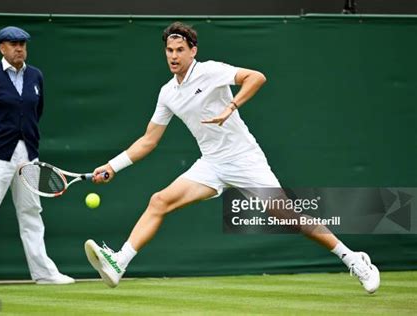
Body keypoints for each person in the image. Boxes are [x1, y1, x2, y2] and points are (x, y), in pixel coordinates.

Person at [84, 22, 380, 293]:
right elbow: (149, 140)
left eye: (180, 50)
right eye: (169, 50)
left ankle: (353, 259)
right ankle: (120, 261)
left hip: (244, 159)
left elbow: (256, 77)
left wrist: (231, 106)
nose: (173, 56)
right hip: (211, 164)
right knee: (159, 201)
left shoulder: (210, 70)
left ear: (192, 51)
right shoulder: (167, 93)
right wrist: (113, 166)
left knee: (288, 216)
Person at [0, 26, 74, 287]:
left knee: (31, 212)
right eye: (13, 44)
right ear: (2, 48)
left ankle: (44, 273)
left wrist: (24, 139)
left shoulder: (36, 76)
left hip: (27, 155)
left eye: (22, 44)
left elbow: (35, 112)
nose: (19, 48)